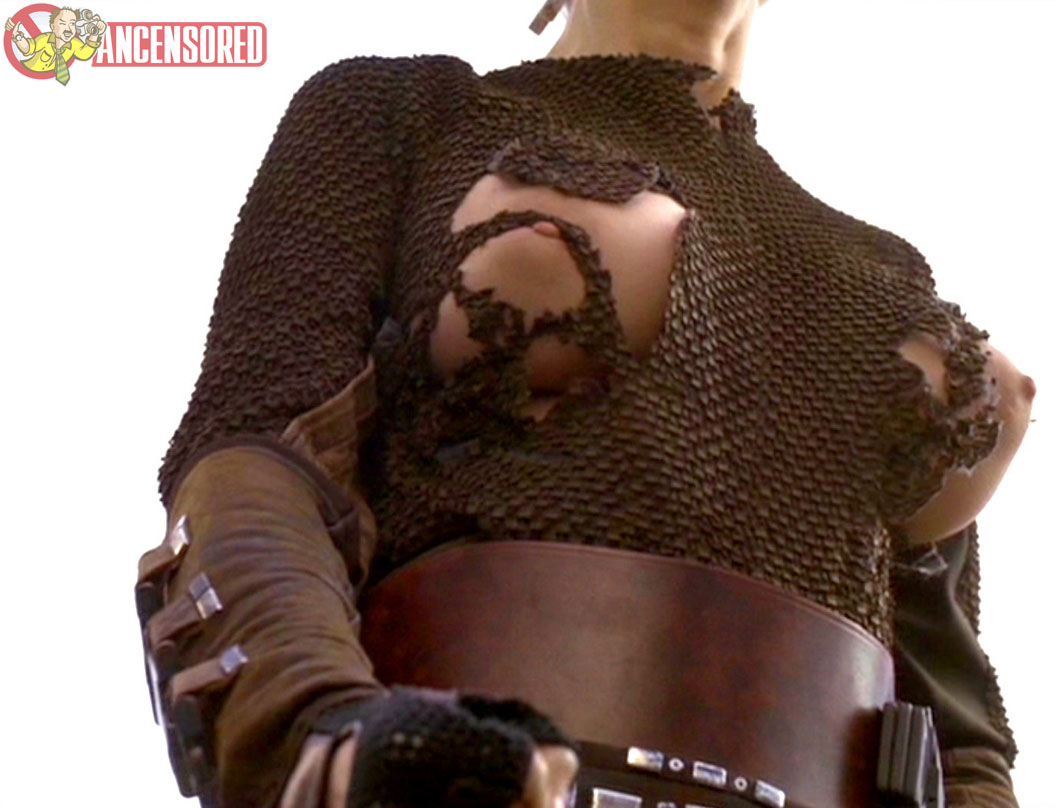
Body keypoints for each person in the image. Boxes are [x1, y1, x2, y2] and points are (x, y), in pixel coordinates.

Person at [136, 1, 1034, 807]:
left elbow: (954, 722)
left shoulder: (888, 274)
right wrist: (326, 730)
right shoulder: (407, 114)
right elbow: (257, 461)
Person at [5, 7, 106, 85]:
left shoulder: (74, 43)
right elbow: (27, 48)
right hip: (26, 76)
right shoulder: (45, 39)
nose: (68, 29)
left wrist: (95, 33)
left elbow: (84, 54)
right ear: (53, 27)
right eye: (62, 23)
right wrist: (16, 35)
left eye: (72, 24)